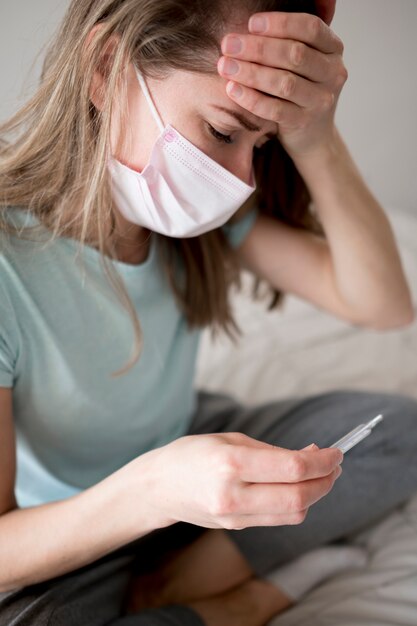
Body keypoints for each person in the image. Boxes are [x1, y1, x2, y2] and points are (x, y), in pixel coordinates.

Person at [0, 0, 416, 624]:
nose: (241, 178)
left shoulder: (198, 217)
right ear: (107, 66)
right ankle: (243, 602)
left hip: (184, 445)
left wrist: (315, 136)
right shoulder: (10, 264)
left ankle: (168, 585)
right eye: (223, 132)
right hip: (74, 521)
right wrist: (156, 490)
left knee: (396, 433)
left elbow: (382, 304)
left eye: (262, 143)